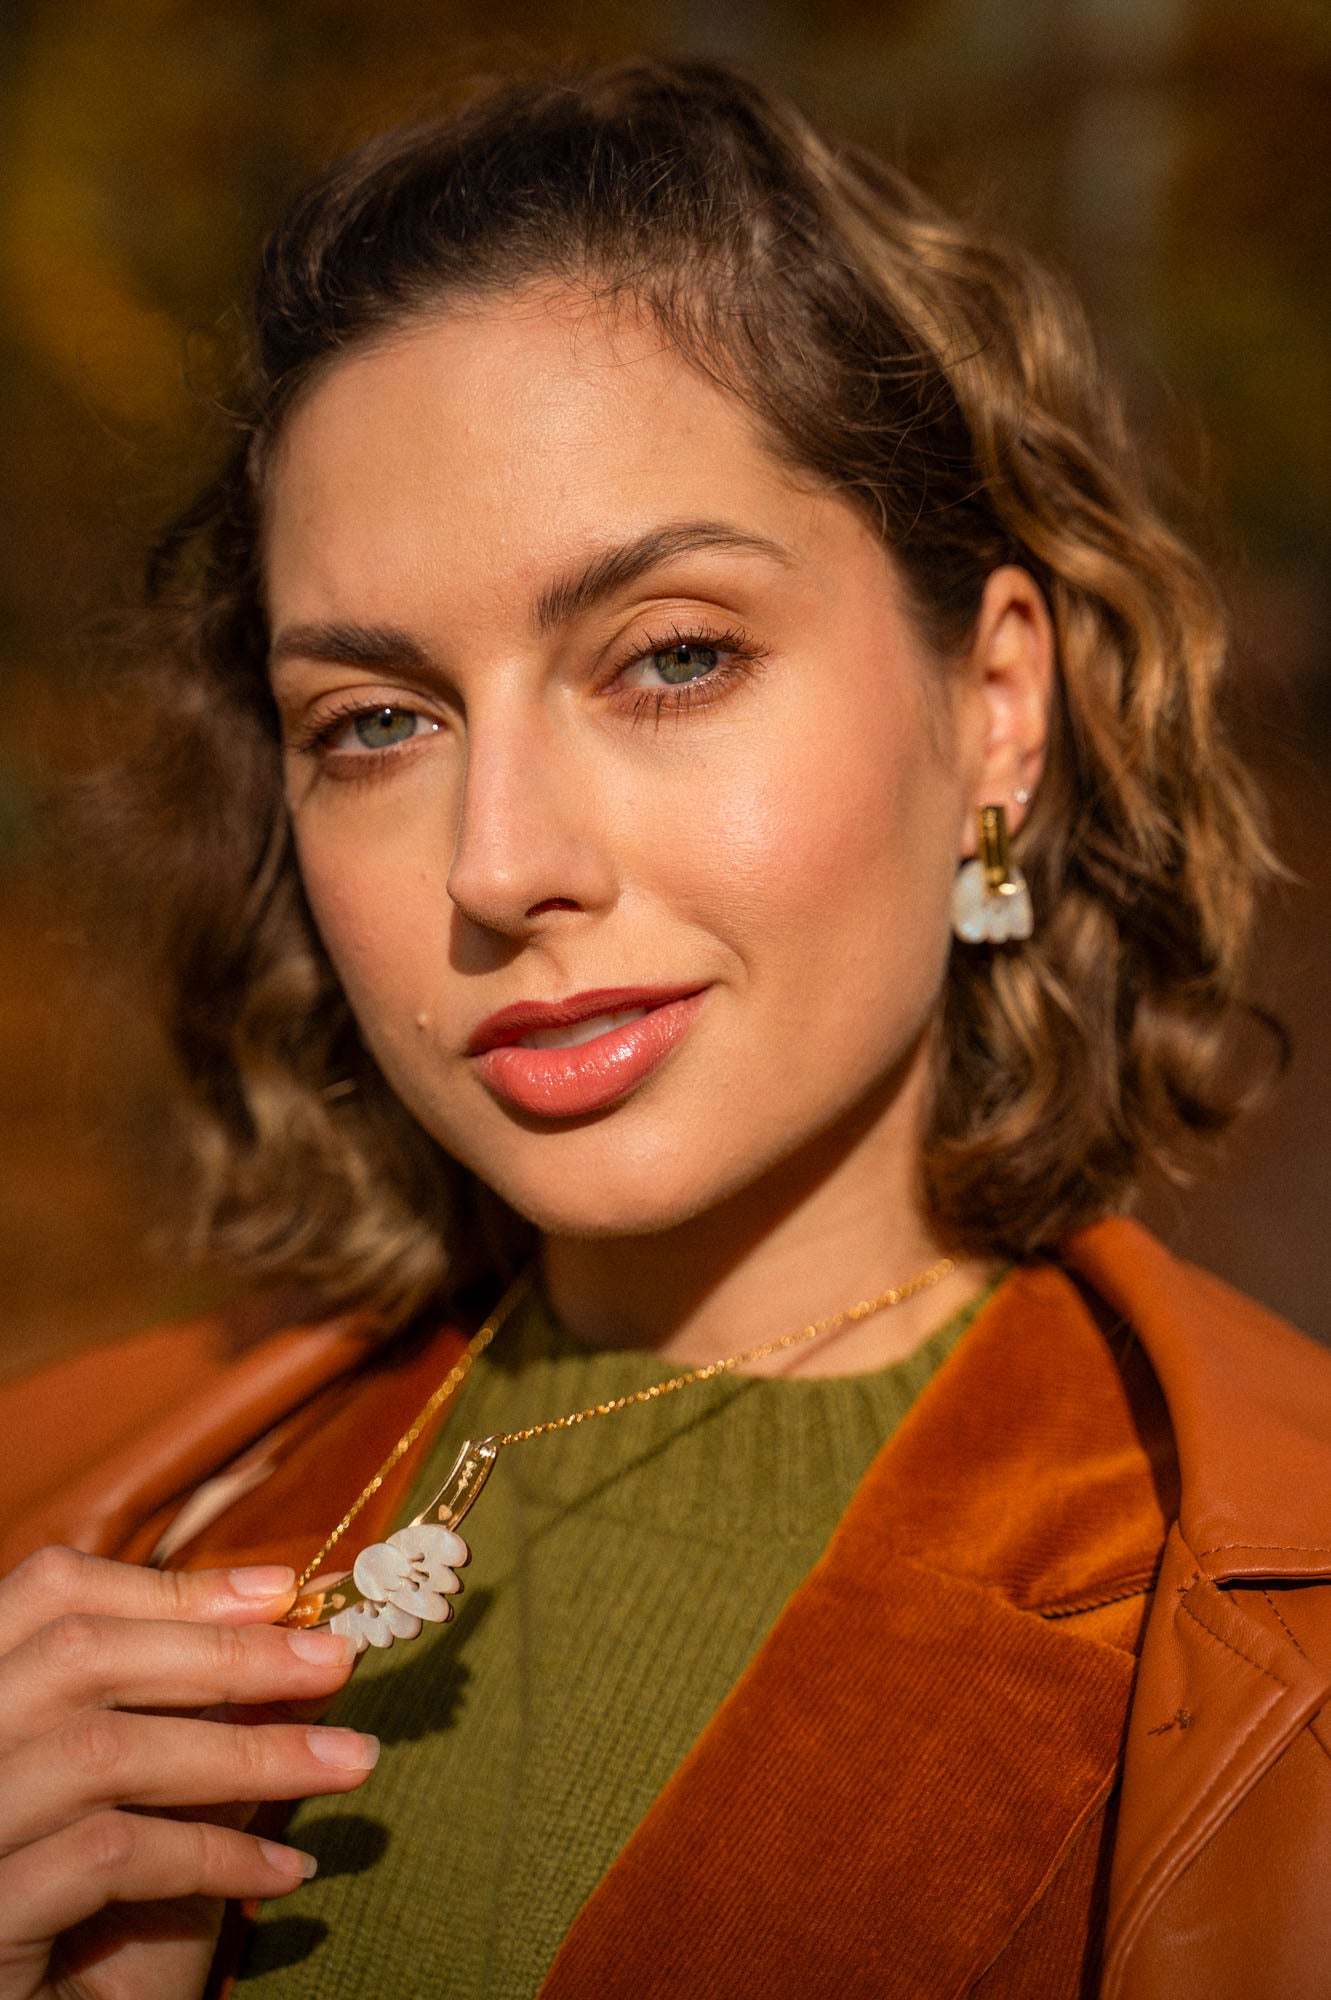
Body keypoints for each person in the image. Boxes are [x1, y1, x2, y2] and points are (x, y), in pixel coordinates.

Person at [1, 55, 1328, 2000]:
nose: (502, 862)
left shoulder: (1262, 1665)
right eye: (376, 719)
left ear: (998, 705)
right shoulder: (62, 1513)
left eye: (672, 656)